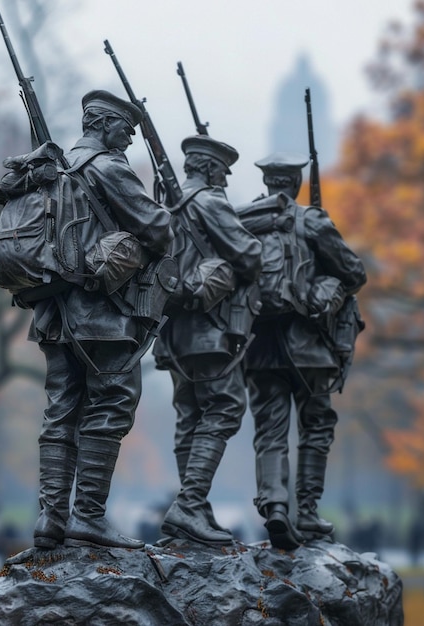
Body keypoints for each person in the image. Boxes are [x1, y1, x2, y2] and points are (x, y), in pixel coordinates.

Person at [28, 90, 173, 550]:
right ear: (103, 124)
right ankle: (87, 516)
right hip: (102, 318)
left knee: (60, 410)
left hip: (52, 315)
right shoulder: (108, 167)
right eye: (125, 130)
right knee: (111, 406)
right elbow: (159, 230)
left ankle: (51, 520)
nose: (129, 140)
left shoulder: (52, 166)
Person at [242, 152, 367, 550]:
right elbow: (354, 272)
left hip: (259, 347)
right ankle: (308, 513)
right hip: (309, 346)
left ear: (267, 184)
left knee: (269, 431)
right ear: (294, 184)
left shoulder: (244, 223)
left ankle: (276, 506)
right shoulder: (311, 220)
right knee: (316, 426)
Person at [154, 135, 262, 545]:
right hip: (210, 329)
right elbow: (249, 256)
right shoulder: (211, 202)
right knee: (225, 407)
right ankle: (190, 502)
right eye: (223, 170)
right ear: (210, 169)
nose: (226, 178)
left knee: (189, 414)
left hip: (172, 333)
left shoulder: (164, 206)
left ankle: (193, 509)